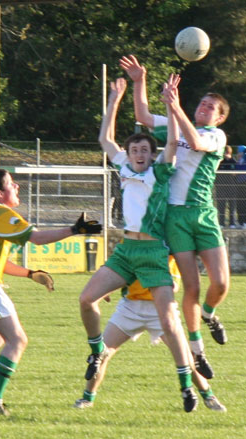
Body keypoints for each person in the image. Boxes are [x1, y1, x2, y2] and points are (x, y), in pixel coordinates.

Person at [79, 76, 198, 412]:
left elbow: (173, 144)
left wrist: (170, 105)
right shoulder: (122, 166)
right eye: (135, 149)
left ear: (151, 154)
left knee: (170, 321)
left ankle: (186, 386)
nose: (140, 153)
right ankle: (94, 350)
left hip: (152, 252)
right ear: (129, 154)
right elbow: (105, 138)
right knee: (87, 299)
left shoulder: (159, 171)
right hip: (126, 250)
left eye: (145, 149)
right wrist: (114, 98)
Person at [0, 168, 101, 416]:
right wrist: (74, 230)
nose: (17, 187)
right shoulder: (0, 212)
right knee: (18, 340)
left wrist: (29, 273)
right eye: (12, 184)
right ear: (0, 193)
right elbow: (35, 238)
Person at [120, 55, 230, 380]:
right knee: (191, 288)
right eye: (203, 103)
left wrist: (174, 106)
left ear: (219, 118)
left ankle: (209, 315)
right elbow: (141, 115)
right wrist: (140, 80)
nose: (204, 107)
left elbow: (194, 142)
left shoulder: (214, 136)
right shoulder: (177, 123)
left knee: (221, 283)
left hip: (203, 215)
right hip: (175, 218)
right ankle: (197, 351)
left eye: (211, 107)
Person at [74, 256, 226, 412]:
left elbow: (182, 274)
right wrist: (106, 288)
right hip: (130, 308)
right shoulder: (135, 243)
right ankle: (87, 398)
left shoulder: (167, 244)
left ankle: (208, 396)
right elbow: (122, 270)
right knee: (102, 354)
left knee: (187, 360)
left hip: (162, 310)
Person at [215, 145, 237, 228]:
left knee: (232, 205)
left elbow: (235, 172)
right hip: (221, 186)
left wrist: (229, 159)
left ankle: (232, 223)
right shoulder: (220, 161)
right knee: (221, 205)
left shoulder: (233, 161)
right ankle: (221, 223)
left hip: (231, 186)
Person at [235, 145, 246, 228]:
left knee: (243, 203)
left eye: (239, 152)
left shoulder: (243, 160)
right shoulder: (239, 161)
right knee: (239, 203)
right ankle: (240, 222)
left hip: (244, 183)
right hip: (239, 183)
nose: (238, 153)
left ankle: (244, 222)